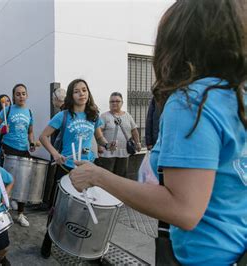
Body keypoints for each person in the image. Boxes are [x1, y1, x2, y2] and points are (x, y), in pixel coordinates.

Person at [69, 0, 246, 264]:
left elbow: (184, 209)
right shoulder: (236, 96)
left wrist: (98, 176)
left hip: (205, 257)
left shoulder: (192, 102)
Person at [38, 79, 114, 258]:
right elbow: (43, 136)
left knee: (83, 210)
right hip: (66, 168)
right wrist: (56, 154)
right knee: (57, 209)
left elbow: (99, 137)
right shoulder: (63, 116)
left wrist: (107, 144)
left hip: (87, 169)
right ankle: (47, 241)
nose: (82, 94)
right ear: (71, 95)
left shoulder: (93, 115)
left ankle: (78, 245)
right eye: (77, 91)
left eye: (84, 90)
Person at [0, 83, 36, 227]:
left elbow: (30, 131)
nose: (21, 96)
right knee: (6, 181)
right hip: (9, 148)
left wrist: (32, 142)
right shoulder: (8, 110)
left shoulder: (29, 112)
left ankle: (20, 214)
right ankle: (3, 212)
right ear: (13, 96)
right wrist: (2, 130)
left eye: (23, 93)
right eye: (18, 94)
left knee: (24, 182)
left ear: (27, 95)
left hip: (23, 149)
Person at [97, 92, 141, 178]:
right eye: (112, 101)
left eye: (117, 101)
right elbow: (99, 132)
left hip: (123, 153)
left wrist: (138, 143)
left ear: (122, 103)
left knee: (121, 177)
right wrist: (100, 146)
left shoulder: (127, 115)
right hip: (108, 153)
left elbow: (134, 130)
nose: (114, 103)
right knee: (107, 177)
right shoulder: (104, 116)